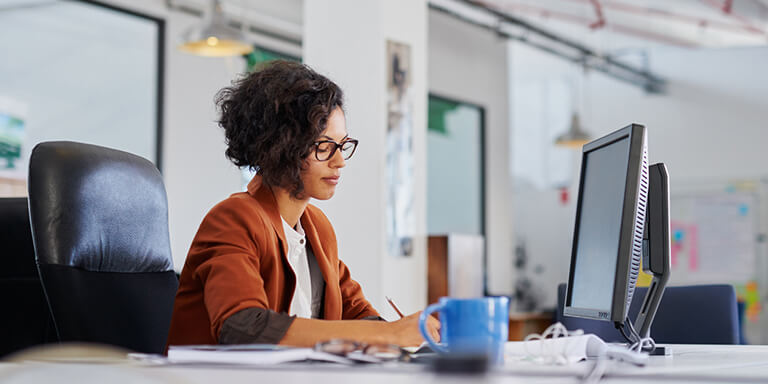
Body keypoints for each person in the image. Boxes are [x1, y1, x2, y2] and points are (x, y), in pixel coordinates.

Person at [166, 60, 440, 349]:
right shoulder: (233, 219)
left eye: (343, 145)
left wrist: (412, 331)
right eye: (324, 147)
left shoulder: (317, 228)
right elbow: (243, 327)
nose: (340, 161)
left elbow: (358, 315)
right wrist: (391, 334)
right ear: (280, 147)